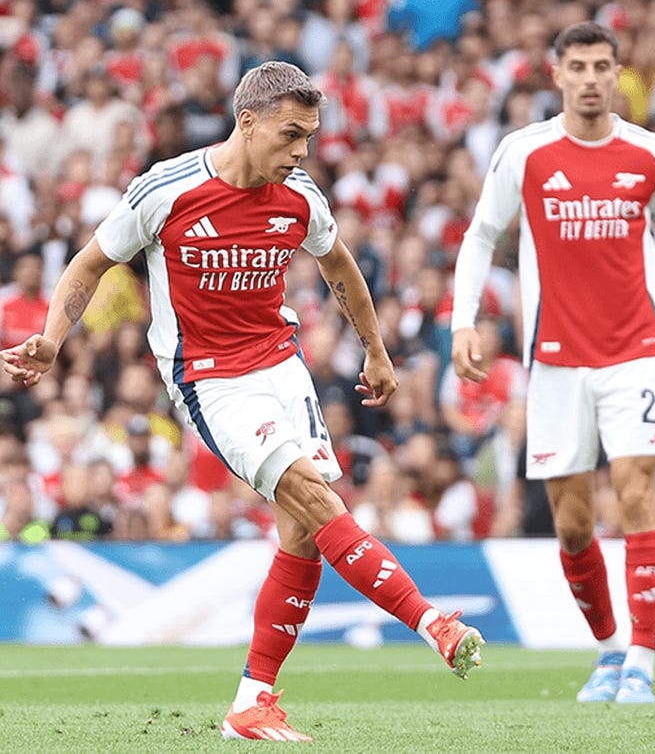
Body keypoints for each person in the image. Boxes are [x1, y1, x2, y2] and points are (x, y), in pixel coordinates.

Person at [0, 61, 484, 742]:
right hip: (207, 375)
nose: (302, 151)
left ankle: (253, 700)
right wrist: (51, 338)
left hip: (281, 366)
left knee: (304, 533)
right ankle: (433, 621)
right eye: (291, 134)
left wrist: (375, 349)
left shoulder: (301, 196)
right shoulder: (167, 189)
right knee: (317, 499)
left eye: (310, 137)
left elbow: (339, 263)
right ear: (247, 121)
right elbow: (89, 263)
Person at [450, 22, 655, 705]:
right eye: (580, 66)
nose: (593, 77)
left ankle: (643, 661)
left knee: (635, 494)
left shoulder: (650, 153)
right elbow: (482, 235)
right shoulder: (527, 152)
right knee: (571, 522)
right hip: (555, 361)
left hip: (633, 352)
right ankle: (607, 651)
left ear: (618, 73)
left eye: (603, 65)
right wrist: (462, 321)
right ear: (558, 74)